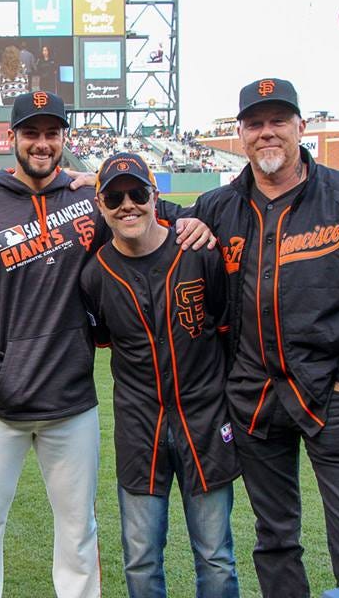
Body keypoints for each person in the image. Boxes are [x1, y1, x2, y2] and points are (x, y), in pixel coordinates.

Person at [174, 78, 339, 598]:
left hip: (333, 397)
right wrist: (89, 179)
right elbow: (147, 221)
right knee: (275, 541)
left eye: (278, 121)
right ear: (240, 134)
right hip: (255, 400)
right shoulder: (217, 206)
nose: (267, 133)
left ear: (301, 127)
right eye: (255, 124)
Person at [0, 92, 110, 598]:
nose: (42, 143)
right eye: (31, 133)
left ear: (64, 139)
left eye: (51, 133)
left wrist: (113, 180)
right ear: (11, 138)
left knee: (79, 531)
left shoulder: (90, 201)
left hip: (71, 401)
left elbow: (148, 217)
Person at [79, 152, 241, 598]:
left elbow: (227, 327)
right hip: (139, 427)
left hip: (205, 421)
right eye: (115, 197)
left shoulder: (199, 252)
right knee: (141, 560)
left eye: (137, 193)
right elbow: (106, 338)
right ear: (101, 203)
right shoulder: (95, 274)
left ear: (155, 196)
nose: (127, 204)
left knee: (216, 556)